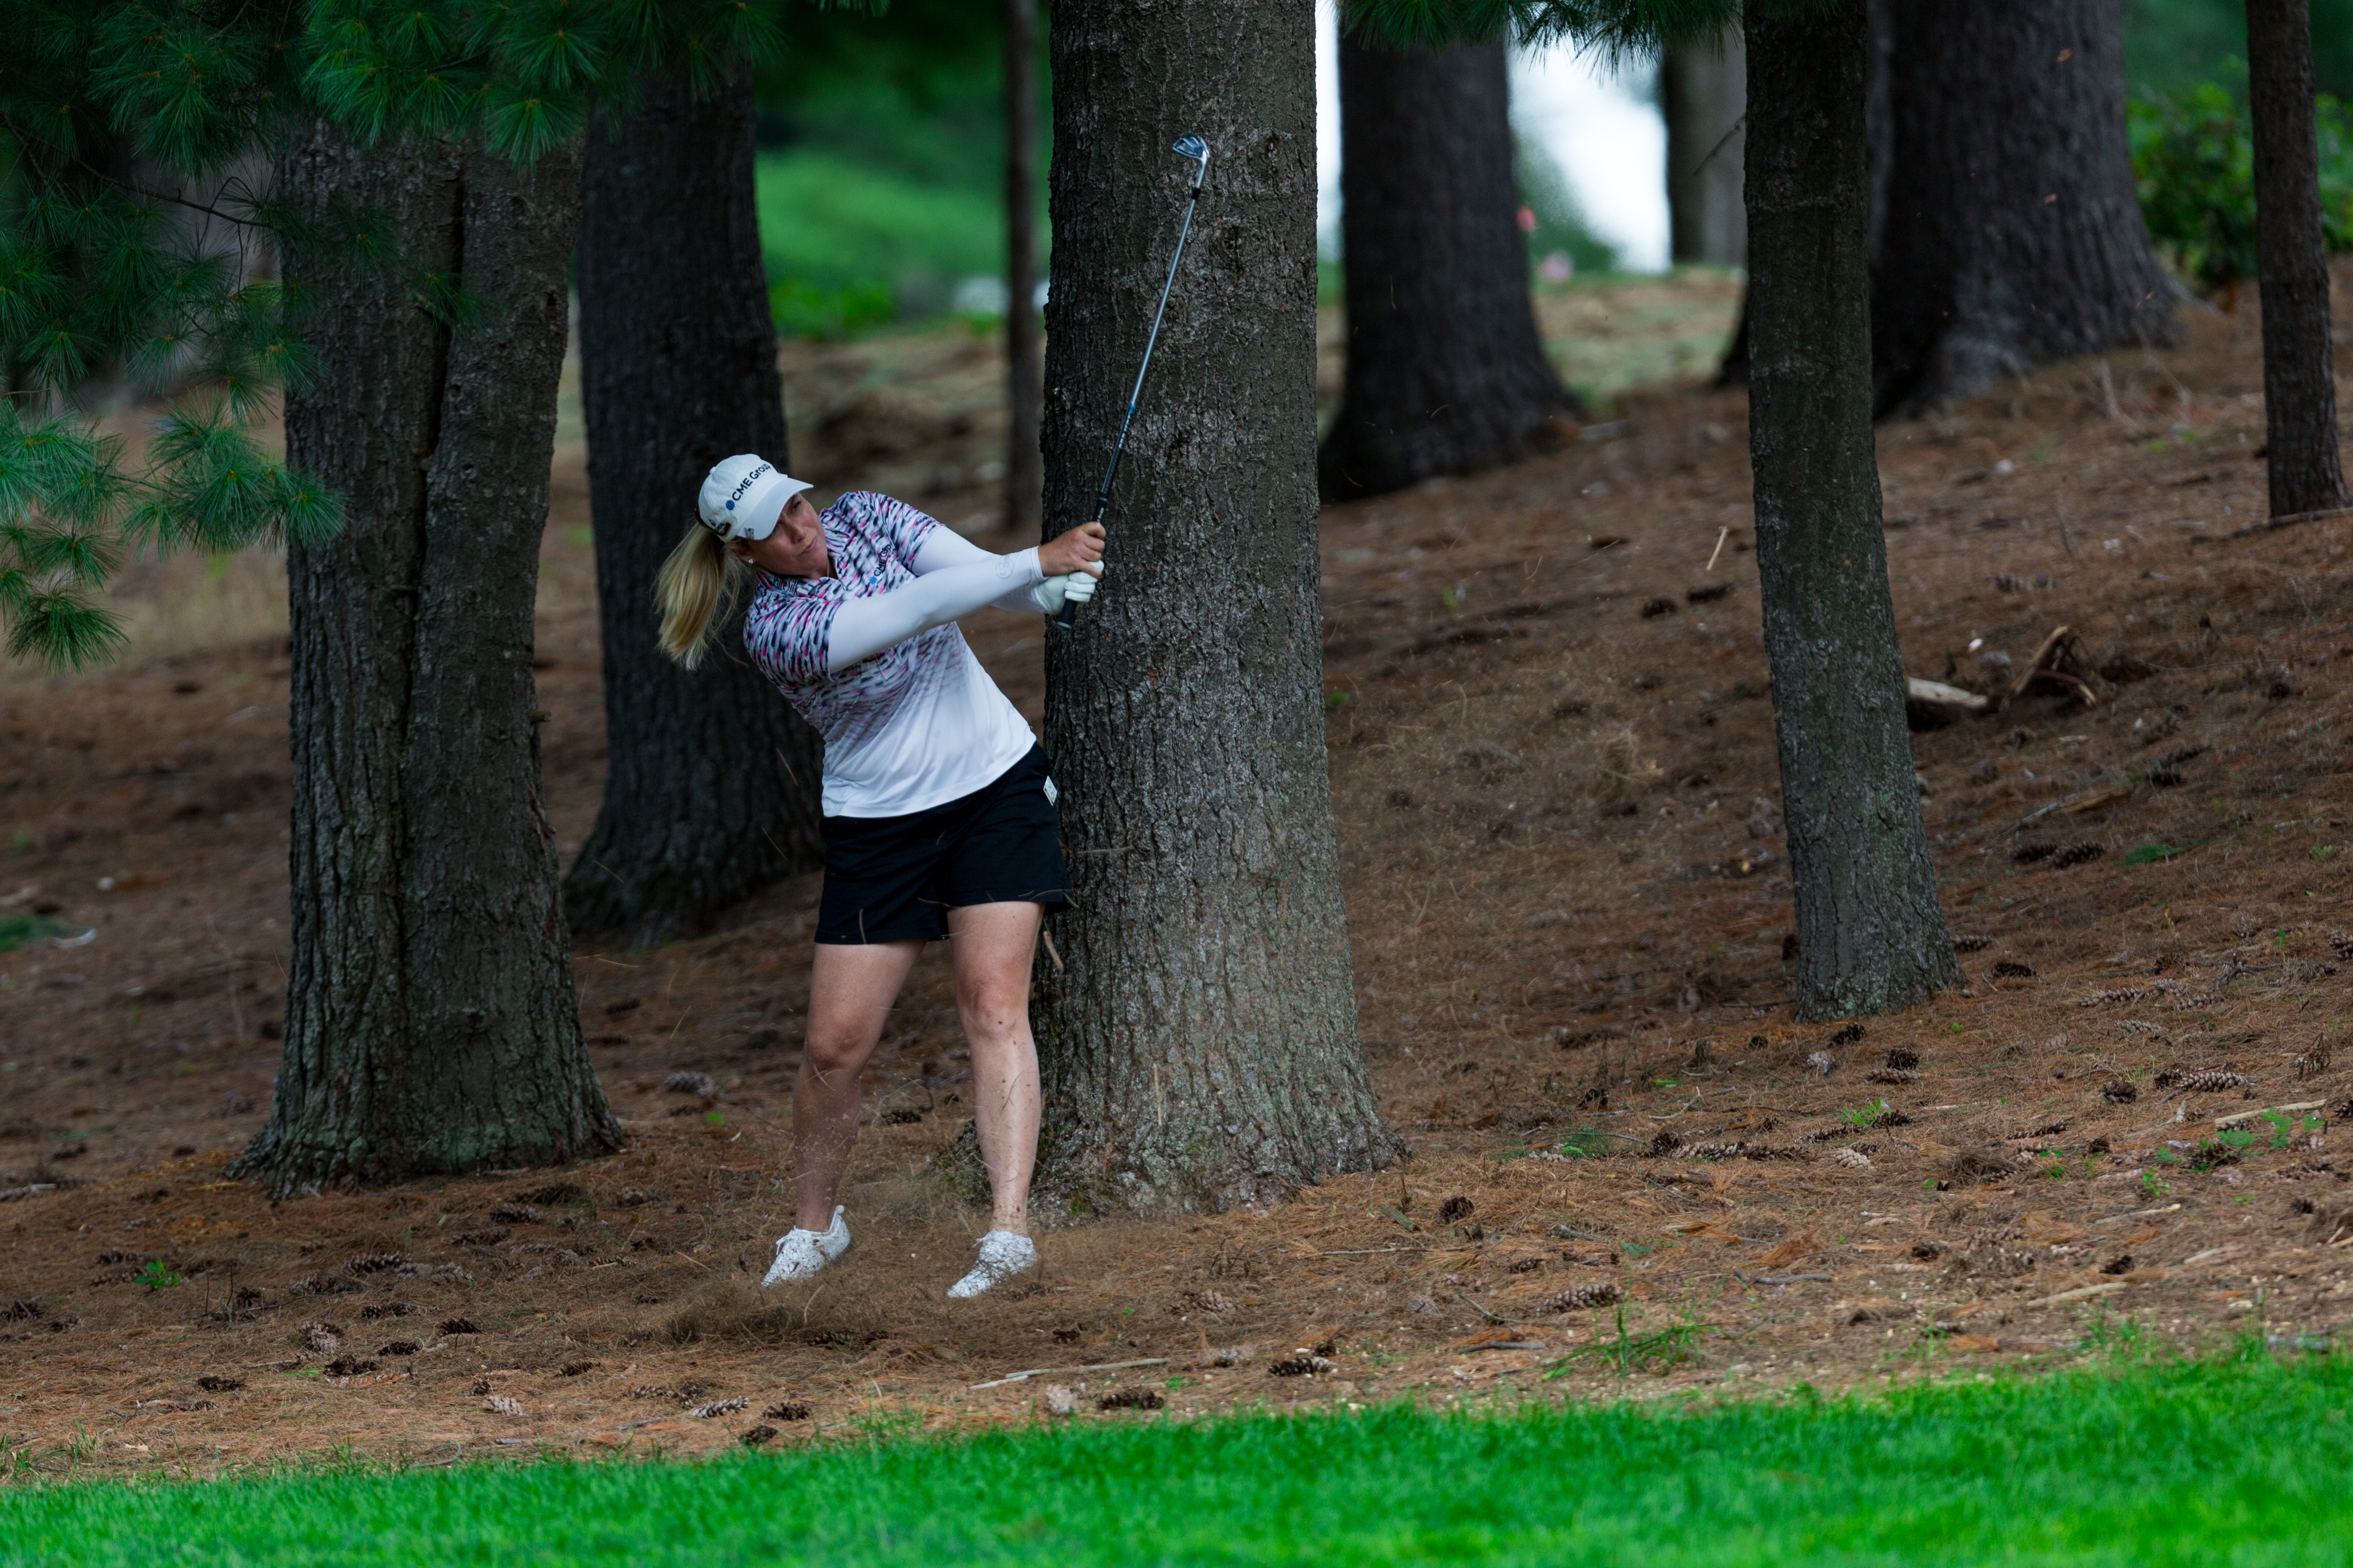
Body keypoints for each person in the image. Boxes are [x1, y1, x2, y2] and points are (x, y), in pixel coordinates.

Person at [655, 455, 1103, 1299]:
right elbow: (914, 609)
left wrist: (1038, 591)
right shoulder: (778, 632)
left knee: (994, 1005)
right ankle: (816, 1228)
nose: (800, 527)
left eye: (797, 505)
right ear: (745, 554)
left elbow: (970, 579)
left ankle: (1008, 1235)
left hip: (994, 790)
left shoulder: (866, 514)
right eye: (775, 530)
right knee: (835, 1046)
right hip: (880, 824)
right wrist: (1036, 563)